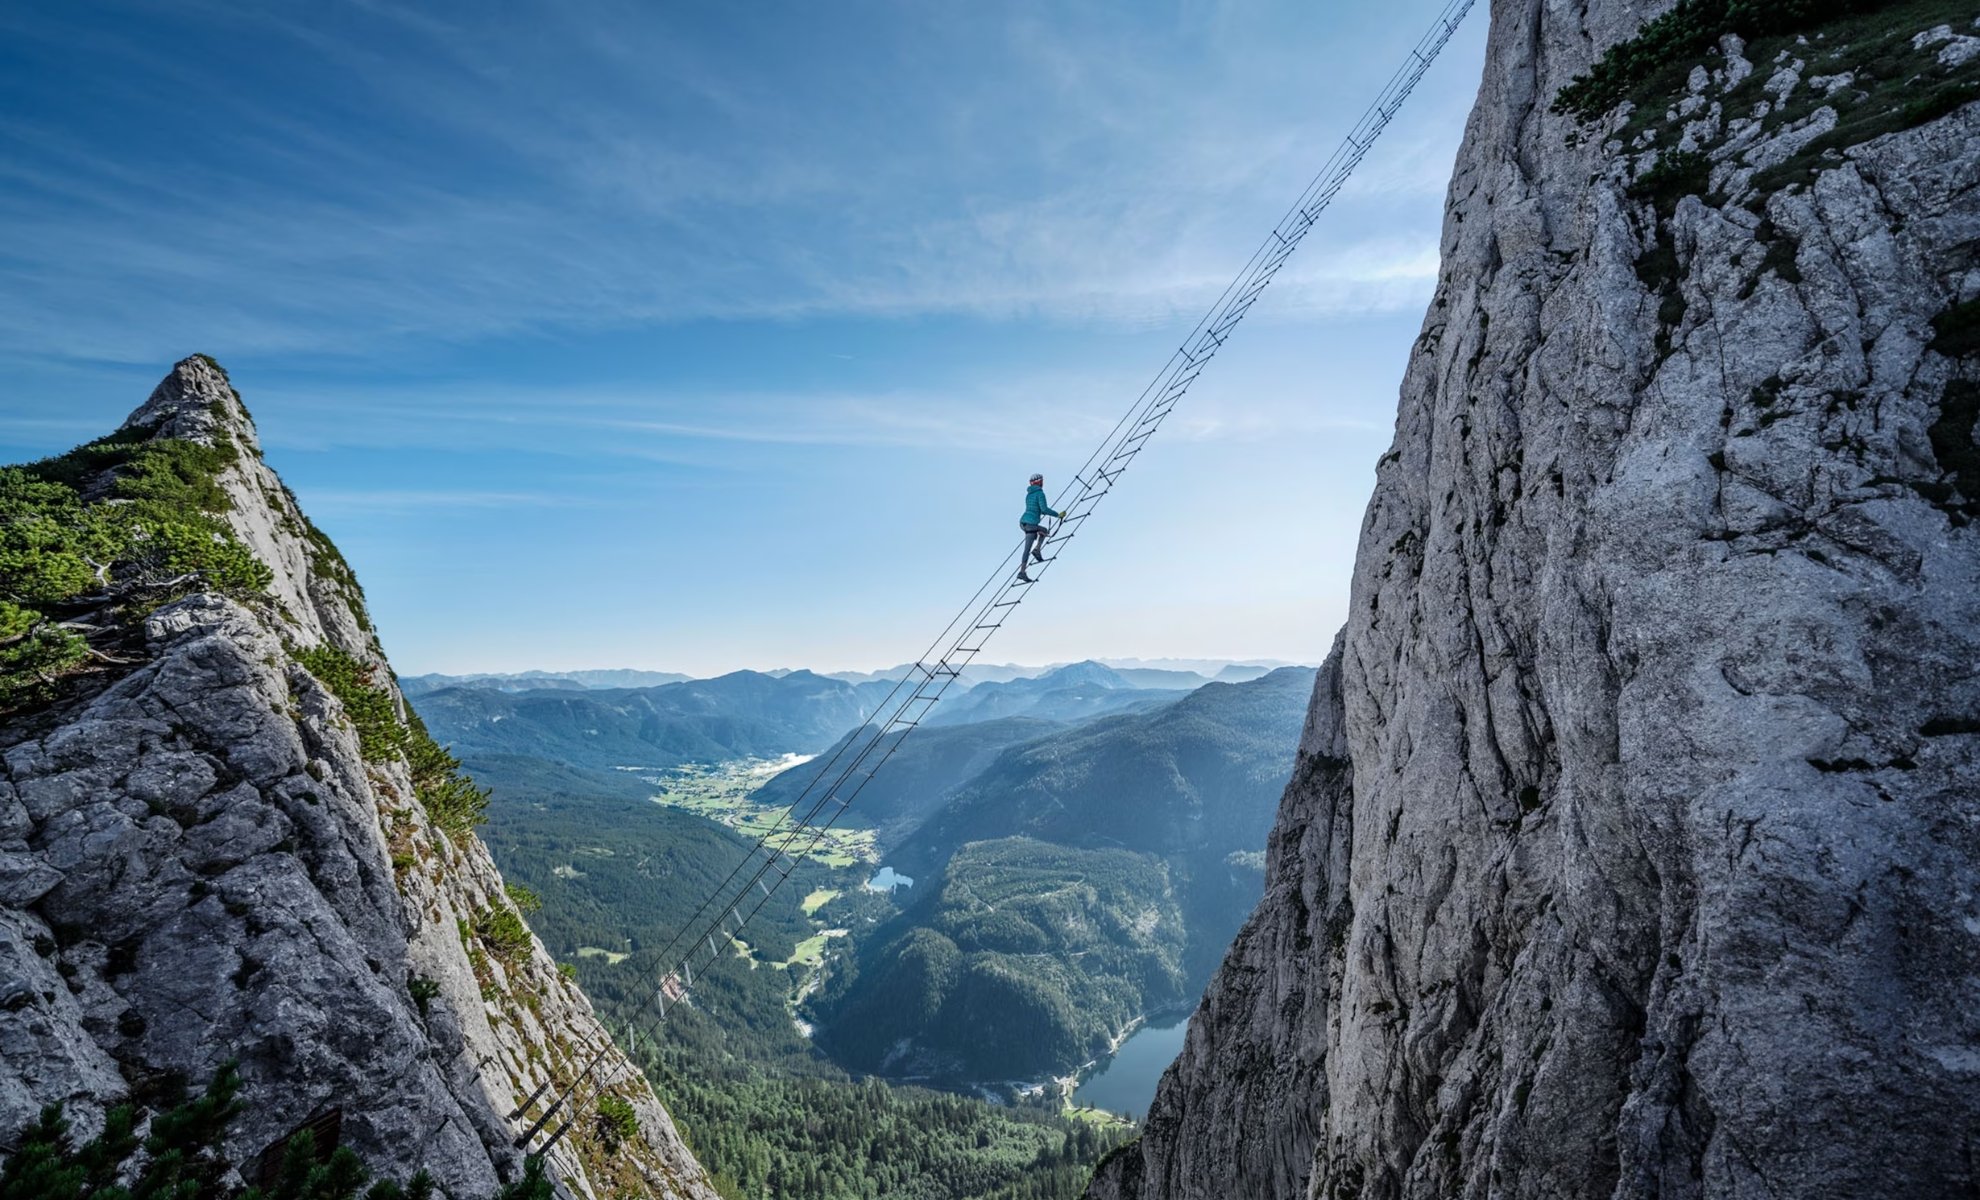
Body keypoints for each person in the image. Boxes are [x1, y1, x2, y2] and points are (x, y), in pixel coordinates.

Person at [1017, 472, 1061, 583]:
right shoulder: (1040, 493)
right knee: (1042, 531)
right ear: (1040, 482)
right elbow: (1044, 509)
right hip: (1031, 524)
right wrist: (1058, 514)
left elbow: (1036, 509)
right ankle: (1036, 551)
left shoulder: (1029, 494)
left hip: (1024, 523)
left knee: (1029, 546)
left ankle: (1023, 570)